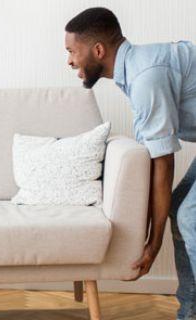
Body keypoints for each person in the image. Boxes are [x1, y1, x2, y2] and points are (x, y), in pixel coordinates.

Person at [65, 7, 196, 319]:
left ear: (98, 50)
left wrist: (153, 243)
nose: (69, 61)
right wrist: (148, 234)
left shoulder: (145, 78)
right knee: (181, 211)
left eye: (72, 51)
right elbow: (154, 159)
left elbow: (163, 164)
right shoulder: (137, 73)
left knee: (191, 217)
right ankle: (189, 312)